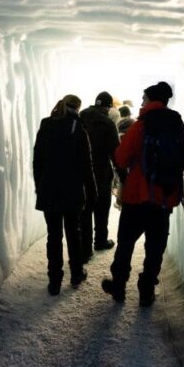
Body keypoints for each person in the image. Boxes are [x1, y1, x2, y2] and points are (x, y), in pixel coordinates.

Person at [102, 82, 184, 306]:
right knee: (155, 247)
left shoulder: (140, 126)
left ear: (150, 100)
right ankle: (146, 290)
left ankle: (118, 285)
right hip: (164, 199)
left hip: (136, 198)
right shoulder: (179, 127)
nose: (141, 102)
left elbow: (120, 158)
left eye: (144, 98)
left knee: (126, 243)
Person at [33, 94, 97, 296]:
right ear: (77, 108)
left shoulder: (46, 125)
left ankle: (54, 281)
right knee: (73, 233)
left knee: (54, 235)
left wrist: (39, 185)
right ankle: (76, 274)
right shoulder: (78, 128)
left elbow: (37, 160)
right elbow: (87, 165)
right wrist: (92, 191)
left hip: (49, 189)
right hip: (72, 190)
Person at [79, 91, 121, 259]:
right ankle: (100, 240)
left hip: (82, 172)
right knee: (102, 208)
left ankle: (85, 248)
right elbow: (115, 153)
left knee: (84, 210)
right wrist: (122, 176)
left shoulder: (81, 117)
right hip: (102, 172)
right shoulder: (108, 123)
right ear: (108, 107)